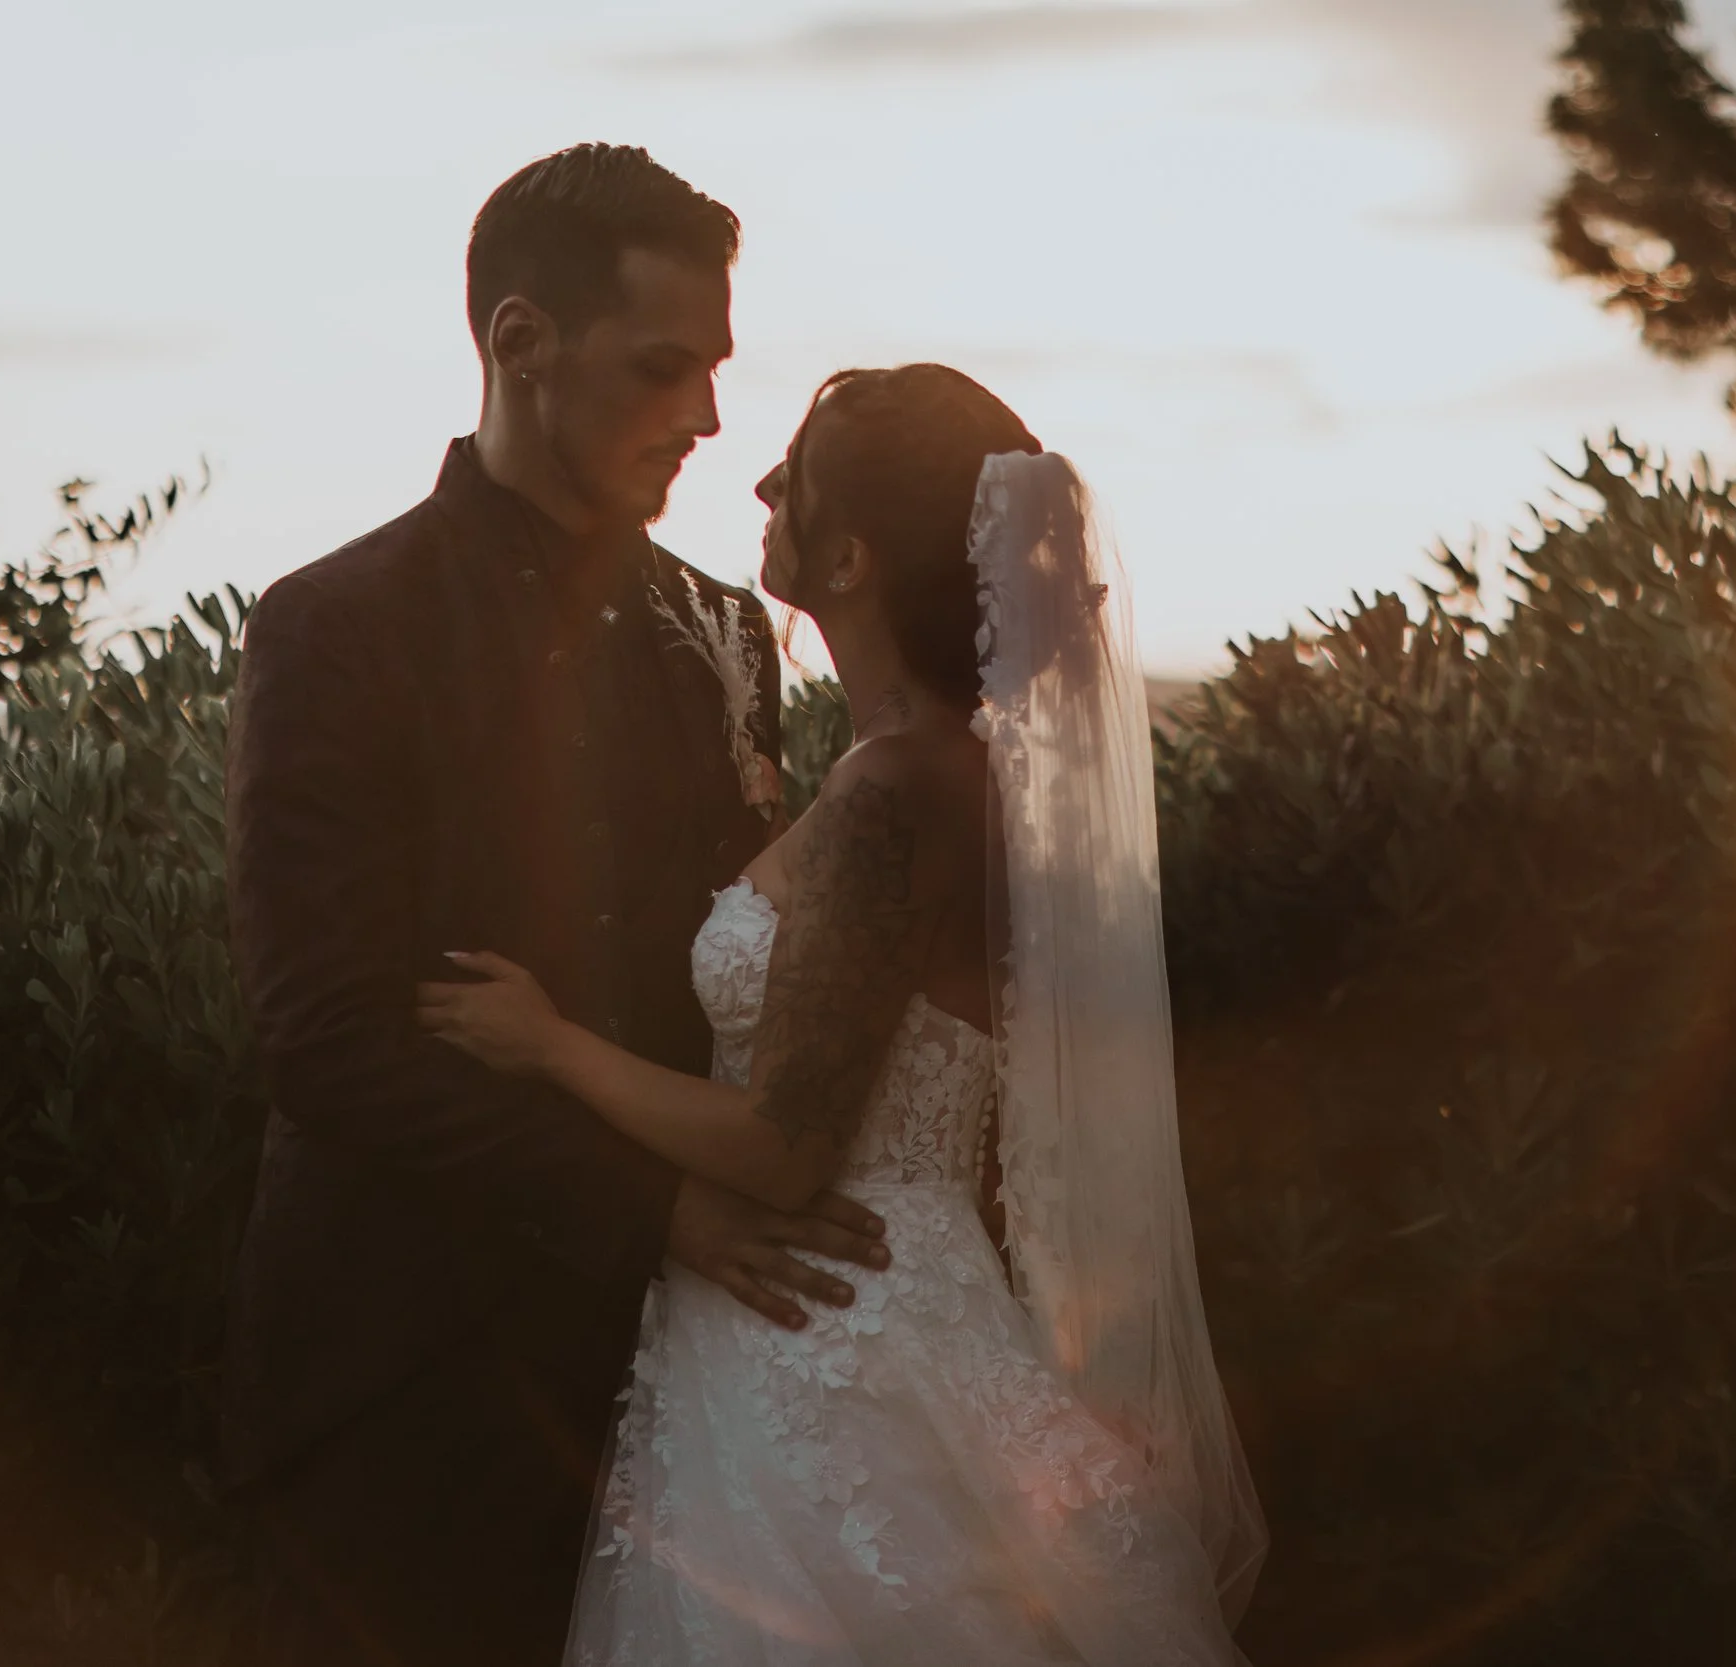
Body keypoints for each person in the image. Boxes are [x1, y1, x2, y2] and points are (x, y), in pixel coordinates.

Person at [419, 363, 1267, 1661]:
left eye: (795, 474)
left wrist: (554, 1044)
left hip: (825, 1340)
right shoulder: (959, 773)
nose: (759, 485)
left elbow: (783, 1145)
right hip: (908, 1311)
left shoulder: (894, 791)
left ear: (854, 555)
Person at [222, 144, 887, 1667]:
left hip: (686, 1405)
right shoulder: (334, 625)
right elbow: (328, 1041)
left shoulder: (726, 627)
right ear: (521, 342)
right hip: (398, 1396)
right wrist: (656, 1208)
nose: (710, 419)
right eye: (664, 368)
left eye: (717, 368)